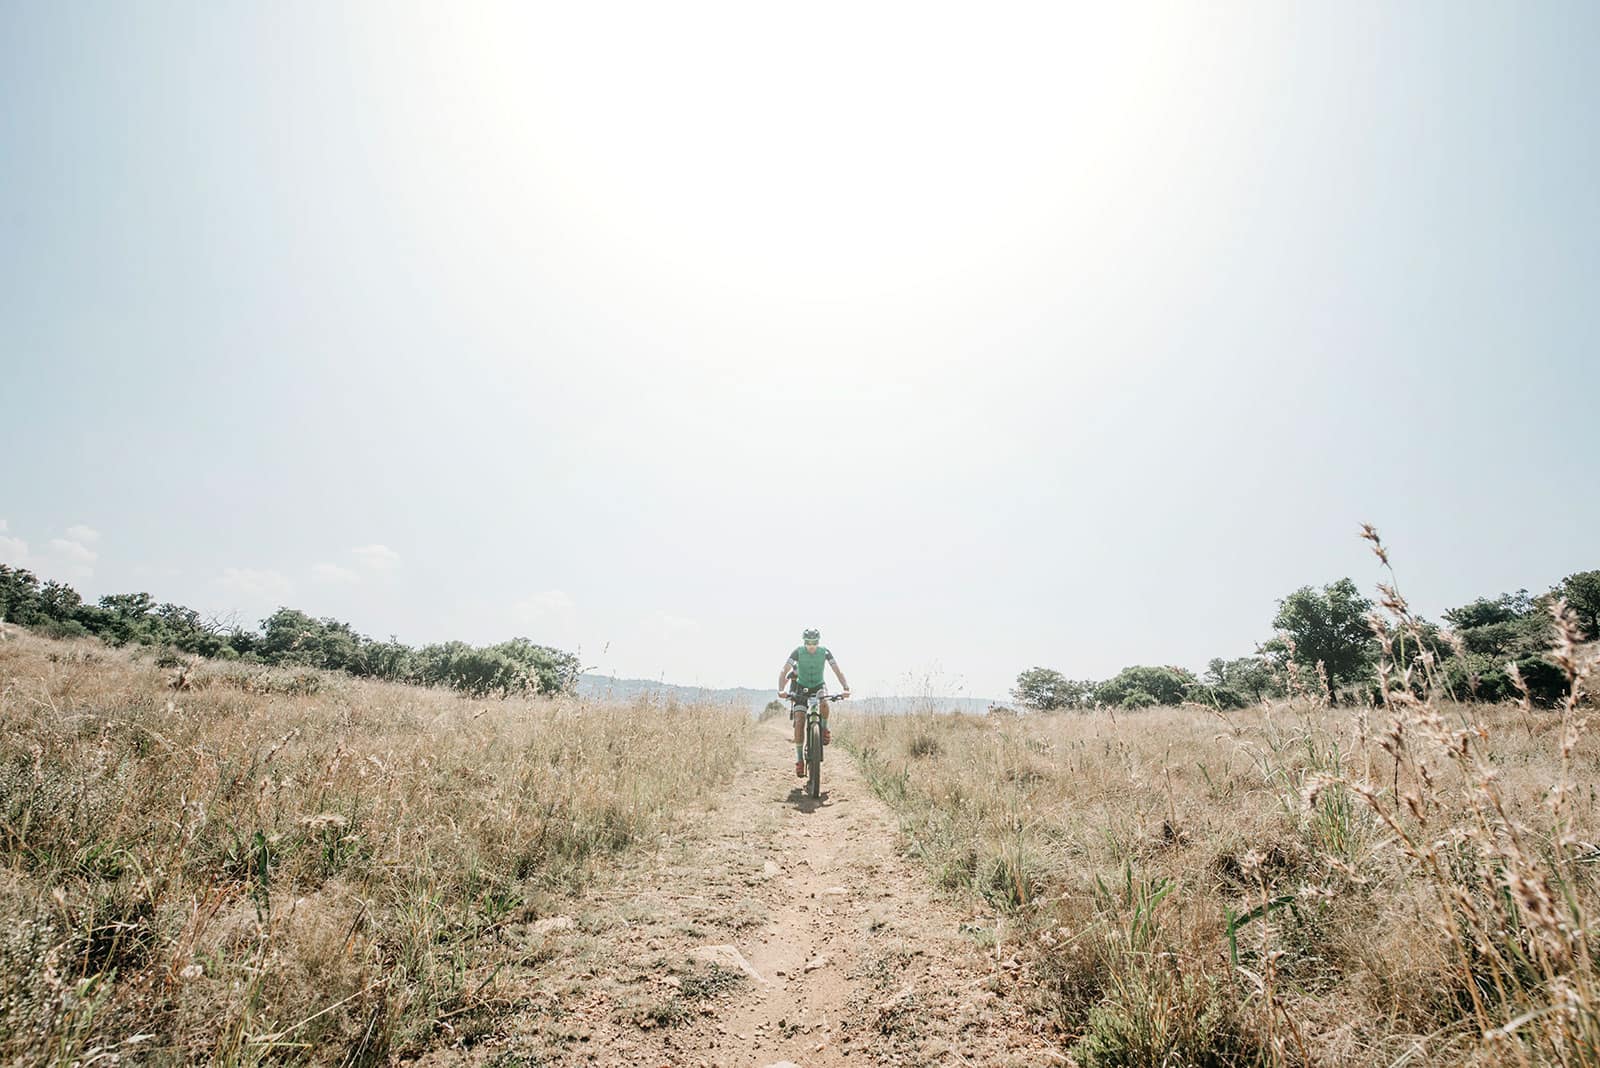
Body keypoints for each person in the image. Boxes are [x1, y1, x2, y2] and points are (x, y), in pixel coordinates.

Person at [777, 628, 850, 777]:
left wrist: (846, 688)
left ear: (818, 642)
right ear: (804, 642)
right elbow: (784, 670)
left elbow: (837, 671)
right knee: (799, 720)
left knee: (824, 701)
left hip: (818, 686)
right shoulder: (797, 652)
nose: (811, 645)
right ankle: (799, 760)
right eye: (808, 642)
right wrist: (781, 689)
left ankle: (824, 729)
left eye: (814, 642)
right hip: (801, 687)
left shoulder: (825, 652)